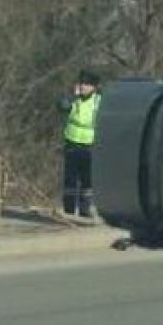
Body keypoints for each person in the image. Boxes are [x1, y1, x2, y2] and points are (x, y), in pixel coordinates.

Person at [58, 69, 102, 217]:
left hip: (89, 145)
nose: (83, 87)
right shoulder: (74, 99)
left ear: (93, 87)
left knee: (87, 180)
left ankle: (85, 210)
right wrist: (72, 96)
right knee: (70, 179)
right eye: (81, 84)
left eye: (87, 84)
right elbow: (62, 106)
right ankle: (69, 210)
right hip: (72, 143)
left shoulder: (98, 101)